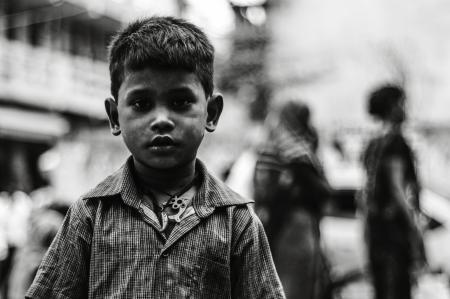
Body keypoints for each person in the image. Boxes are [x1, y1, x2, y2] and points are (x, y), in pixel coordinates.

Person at [26, 16, 284, 299]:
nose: (161, 119)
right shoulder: (90, 214)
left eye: (180, 102)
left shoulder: (237, 221)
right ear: (114, 117)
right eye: (141, 104)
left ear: (211, 113)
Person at [253, 99, 332, 299]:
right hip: (295, 226)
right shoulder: (299, 149)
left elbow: (262, 189)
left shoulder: (275, 145)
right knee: (295, 286)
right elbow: (323, 191)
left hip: (281, 225)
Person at [361, 84, 426, 299]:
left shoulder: (373, 143)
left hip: (376, 230)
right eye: (401, 103)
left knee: (382, 290)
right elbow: (398, 189)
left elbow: (366, 193)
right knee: (397, 290)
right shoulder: (396, 143)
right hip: (394, 233)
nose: (405, 108)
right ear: (391, 107)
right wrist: (414, 226)